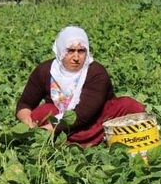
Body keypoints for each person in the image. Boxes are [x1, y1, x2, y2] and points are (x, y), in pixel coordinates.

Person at [16, 26, 146, 146]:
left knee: (127, 105)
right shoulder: (45, 71)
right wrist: (27, 122)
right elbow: (25, 104)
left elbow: (83, 115)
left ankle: (67, 141)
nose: (76, 57)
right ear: (60, 50)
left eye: (81, 51)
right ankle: (55, 140)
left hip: (96, 123)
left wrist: (48, 129)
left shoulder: (96, 72)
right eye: (70, 51)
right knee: (45, 110)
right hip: (60, 122)